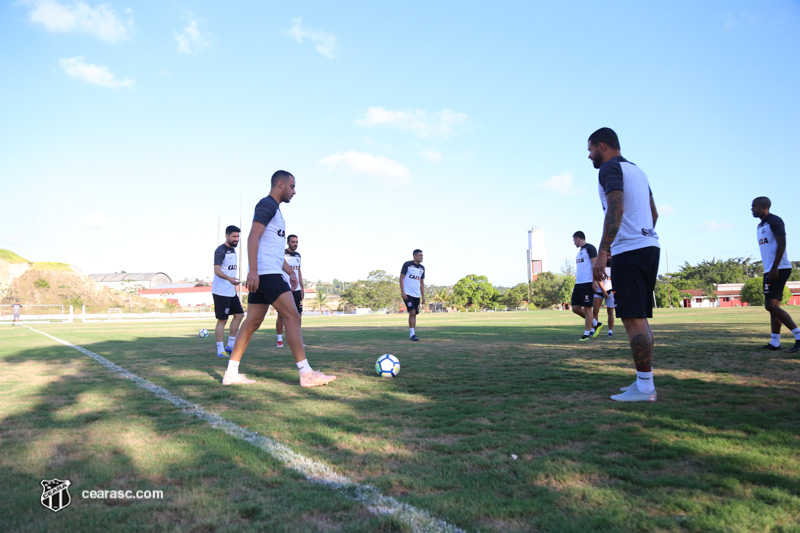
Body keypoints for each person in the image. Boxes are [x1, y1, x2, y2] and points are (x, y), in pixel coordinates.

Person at [223, 170, 335, 387]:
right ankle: (306, 373)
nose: (294, 191)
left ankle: (231, 373)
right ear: (280, 184)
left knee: (252, 322)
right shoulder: (267, 205)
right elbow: (252, 236)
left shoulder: (277, 212)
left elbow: (272, 251)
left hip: (269, 271)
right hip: (266, 275)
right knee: (293, 317)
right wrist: (253, 271)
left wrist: (291, 272)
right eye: (292, 187)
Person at [589, 127, 660, 402]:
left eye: (590, 149)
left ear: (603, 146)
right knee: (640, 318)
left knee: (631, 320)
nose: (589, 156)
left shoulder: (608, 169)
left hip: (629, 251)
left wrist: (604, 251)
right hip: (649, 246)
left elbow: (616, 208)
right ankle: (644, 382)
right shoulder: (638, 171)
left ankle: (645, 388)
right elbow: (653, 212)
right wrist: (642, 235)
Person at [751, 197, 800, 353]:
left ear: (765, 207)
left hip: (779, 268)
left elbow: (782, 243)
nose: (752, 209)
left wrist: (774, 268)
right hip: (770, 269)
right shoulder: (760, 225)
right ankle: (775, 342)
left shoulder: (775, 221)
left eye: (754, 206)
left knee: (770, 306)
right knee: (773, 307)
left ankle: (798, 336)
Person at [212, 225, 245, 357]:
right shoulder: (221, 250)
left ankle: (230, 345)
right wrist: (229, 279)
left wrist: (233, 284)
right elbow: (217, 270)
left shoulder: (233, 251)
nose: (236, 239)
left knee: (239, 315)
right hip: (221, 292)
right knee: (222, 320)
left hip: (231, 291)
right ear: (227, 236)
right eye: (234, 236)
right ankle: (220, 350)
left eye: (238, 236)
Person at [571, 231, 602, 340]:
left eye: (574, 240)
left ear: (578, 238)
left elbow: (595, 265)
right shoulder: (580, 252)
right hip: (578, 284)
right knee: (575, 308)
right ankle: (596, 323)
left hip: (588, 283)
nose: (574, 242)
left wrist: (594, 281)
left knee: (588, 309)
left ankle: (587, 334)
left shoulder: (590, 248)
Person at [276, 234, 304, 348]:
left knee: (298, 314)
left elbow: (299, 272)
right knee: (281, 315)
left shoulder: (298, 255)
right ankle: (279, 339)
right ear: (288, 243)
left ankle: (297, 339)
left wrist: (302, 287)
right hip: (284, 288)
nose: (295, 244)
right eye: (293, 242)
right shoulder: (282, 254)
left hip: (296, 289)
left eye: (296, 242)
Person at [400, 250, 425, 341]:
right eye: (419, 255)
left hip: (417, 295)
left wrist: (423, 296)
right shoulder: (407, 265)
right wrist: (403, 291)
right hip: (408, 293)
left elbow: (421, 282)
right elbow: (401, 277)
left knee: (415, 314)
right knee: (412, 312)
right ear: (414, 256)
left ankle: (413, 333)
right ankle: (412, 334)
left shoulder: (422, 268)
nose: (421, 257)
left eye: (422, 255)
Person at [592, 253, 615, 337]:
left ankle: (610, 331)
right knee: (595, 311)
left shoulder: (614, 264)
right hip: (599, 290)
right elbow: (598, 279)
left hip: (610, 290)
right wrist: (603, 291)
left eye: (610, 255)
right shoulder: (601, 264)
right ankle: (594, 329)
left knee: (610, 312)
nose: (608, 257)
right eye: (607, 255)